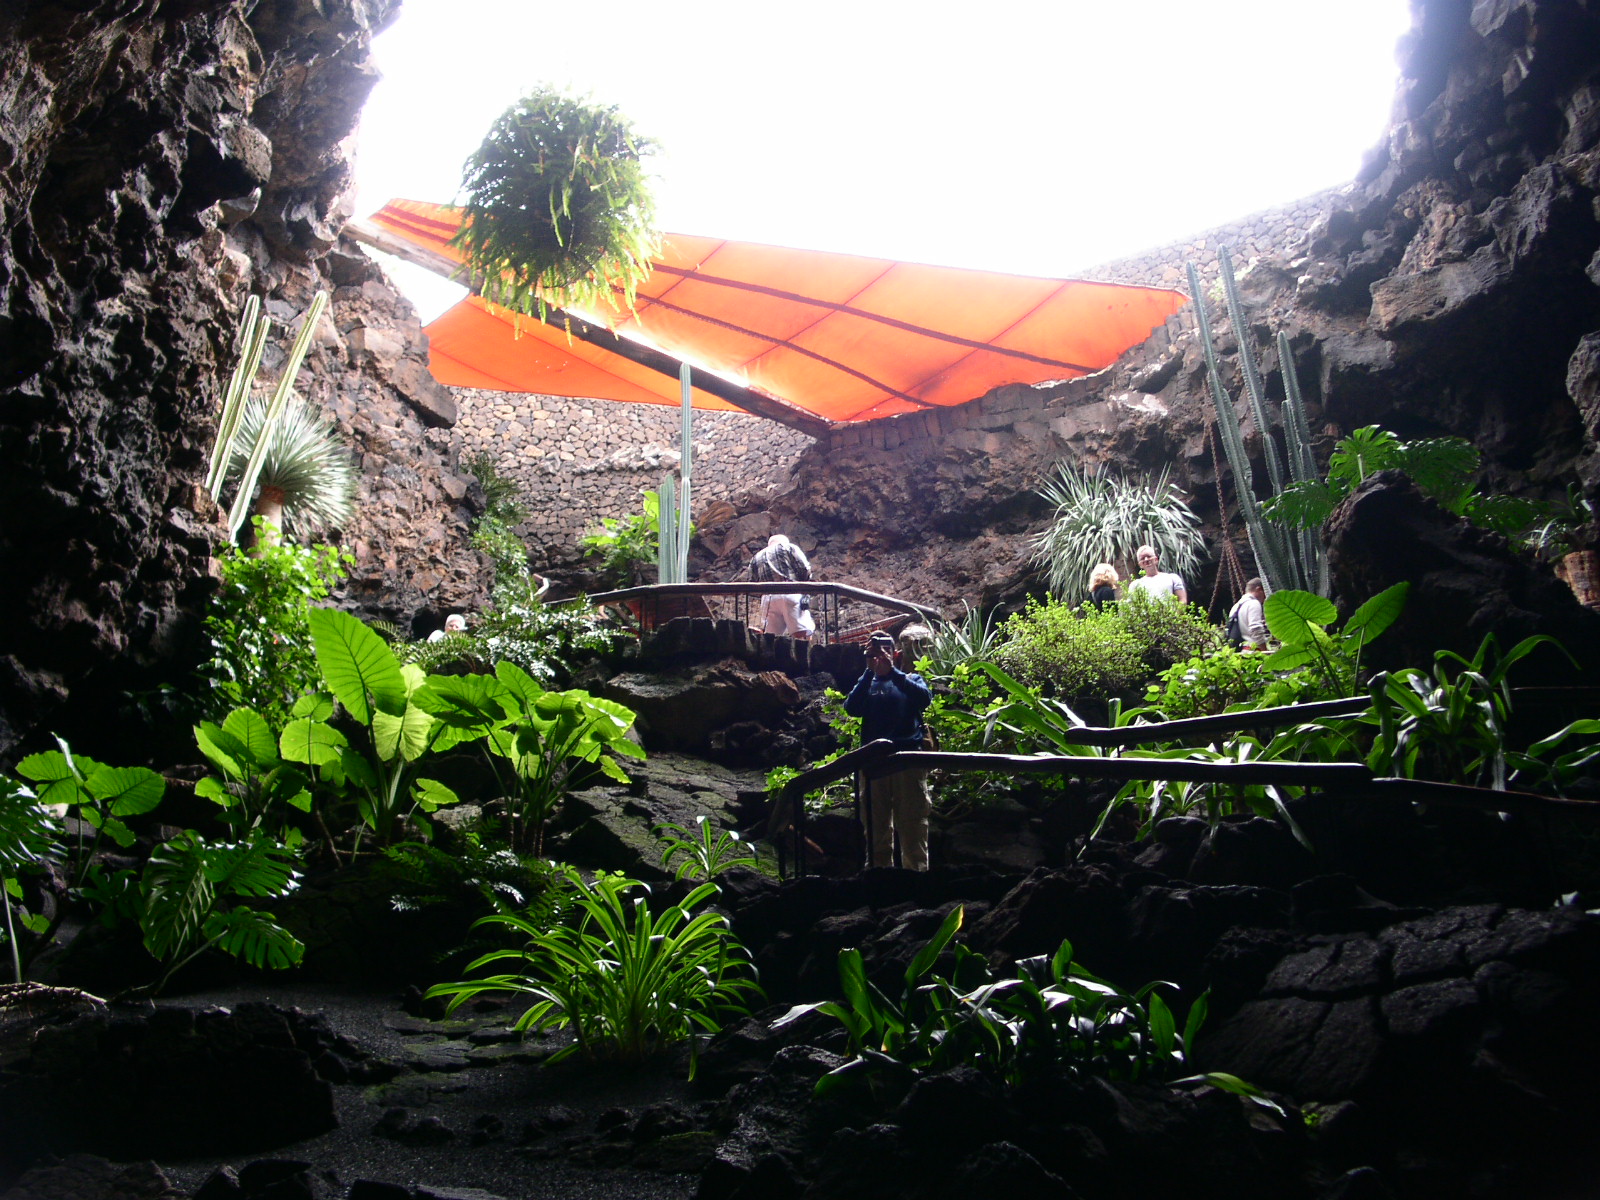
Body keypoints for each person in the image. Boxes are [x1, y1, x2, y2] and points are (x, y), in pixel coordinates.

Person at [844, 627, 934, 871]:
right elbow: (852, 708)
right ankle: (878, 879)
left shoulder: (910, 680)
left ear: (896, 654)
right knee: (876, 828)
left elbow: (924, 699)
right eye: (874, 653)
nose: (879, 657)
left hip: (908, 762)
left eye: (884, 651)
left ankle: (916, 880)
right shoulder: (867, 684)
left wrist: (892, 672)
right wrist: (868, 671)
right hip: (874, 763)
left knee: (913, 826)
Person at [749, 533, 814, 639]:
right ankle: (802, 649)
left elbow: (753, 581)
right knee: (801, 633)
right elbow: (805, 569)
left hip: (768, 598)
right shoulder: (788, 547)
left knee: (770, 637)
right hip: (789, 590)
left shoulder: (756, 557)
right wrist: (803, 583)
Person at [1228, 577, 1268, 650]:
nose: (1264, 598)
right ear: (1259, 589)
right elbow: (1256, 629)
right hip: (1251, 650)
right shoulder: (1253, 603)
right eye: (1264, 594)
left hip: (1237, 651)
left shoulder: (1236, 606)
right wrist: (1265, 651)